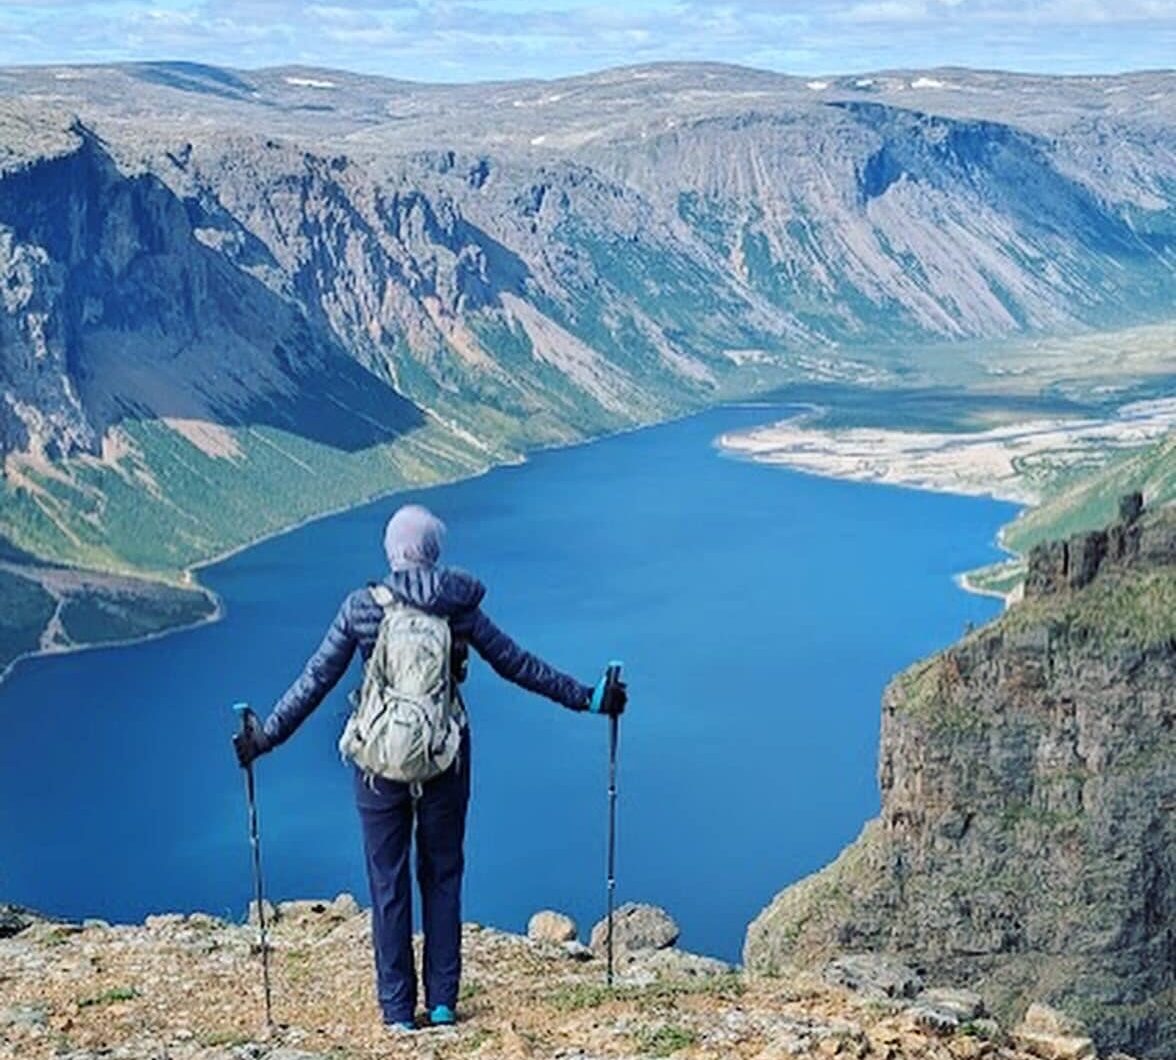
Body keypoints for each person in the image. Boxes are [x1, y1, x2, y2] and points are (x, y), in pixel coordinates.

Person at [233, 504, 627, 1032]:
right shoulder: (457, 608)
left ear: (392, 551)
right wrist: (589, 697)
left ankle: (397, 1011)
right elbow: (517, 664)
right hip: (446, 759)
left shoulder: (361, 608)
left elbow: (315, 679)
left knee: (387, 884)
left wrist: (266, 737)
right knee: (442, 876)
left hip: (379, 766)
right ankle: (442, 1003)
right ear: (434, 551)